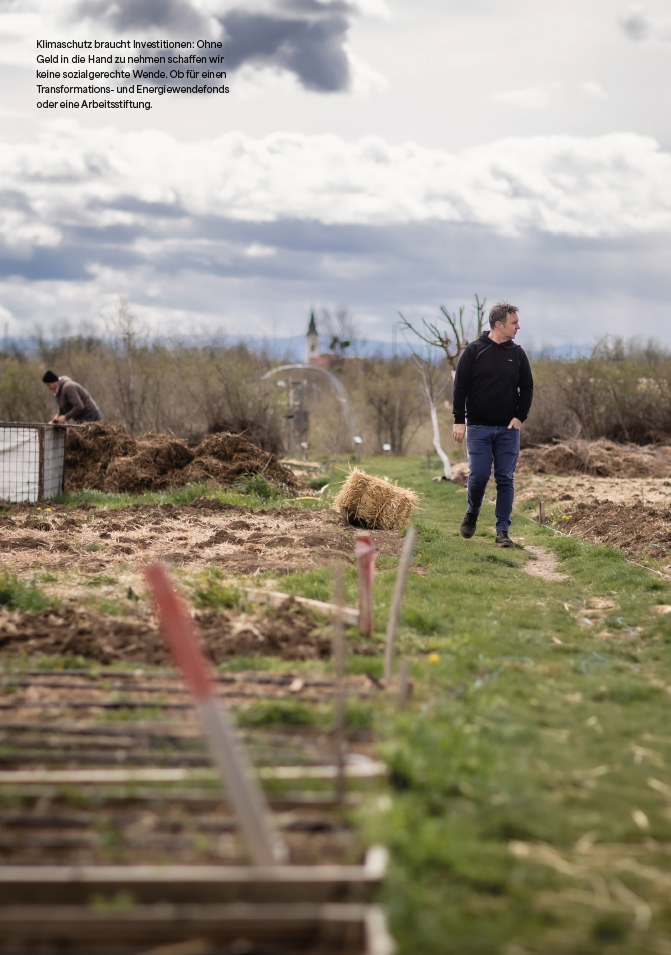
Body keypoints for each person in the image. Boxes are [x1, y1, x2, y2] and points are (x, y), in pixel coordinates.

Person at [451, 302, 533, 548]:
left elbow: (527, 387)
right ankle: (472, 511)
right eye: (514, 323)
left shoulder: (517, 353)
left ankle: (502, 531)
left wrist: (520, 417)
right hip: (479, 427)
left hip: (508, 429)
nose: (518, 327)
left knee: (505, 478)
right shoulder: (474, 351)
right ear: (499, 324)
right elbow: (460, 387)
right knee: (478, 476)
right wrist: (459, 420)